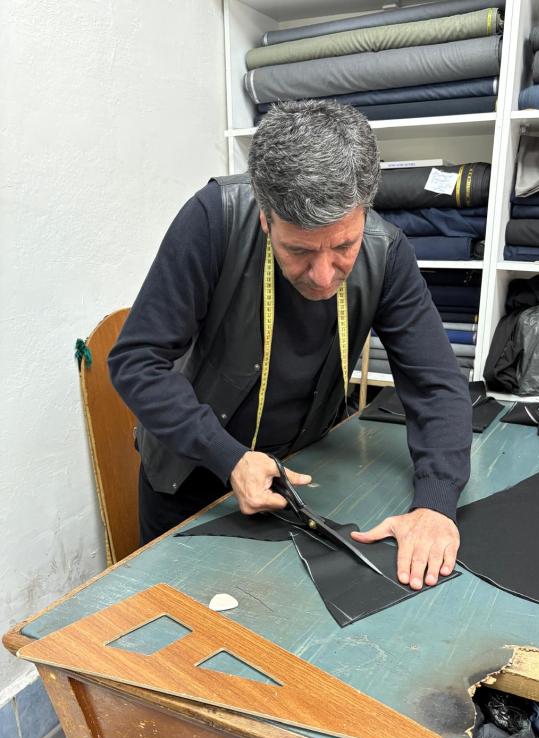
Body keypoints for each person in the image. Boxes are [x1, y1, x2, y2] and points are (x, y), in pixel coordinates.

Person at [109, 99, 472, 590]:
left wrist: (435, 503)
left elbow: (436, 385)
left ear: (363, 212)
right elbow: (136, 361)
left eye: (343, 246)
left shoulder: (386, 251)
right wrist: (227, 455)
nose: (323, 276)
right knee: (179, 612)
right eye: (299, 250)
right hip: (192, 473)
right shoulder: (212, 219)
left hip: (300, 474)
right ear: (266, 219)